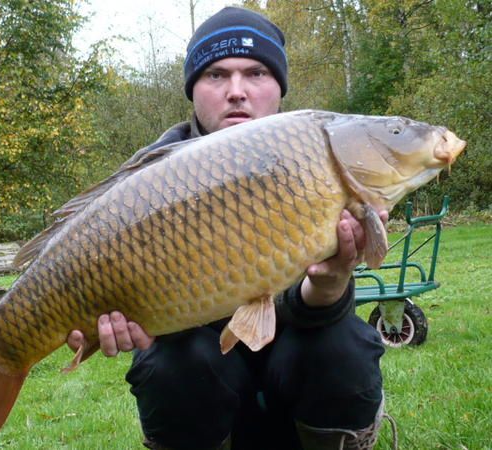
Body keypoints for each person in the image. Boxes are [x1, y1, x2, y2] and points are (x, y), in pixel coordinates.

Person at [69, 7, 388, 450]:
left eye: (256, 72)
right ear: (192, 90)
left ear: (279, 88)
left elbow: (310, 308)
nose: (236, 92)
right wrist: (125, 315)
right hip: (204, 375)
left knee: (342, 344)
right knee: (173, 361)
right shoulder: (148, 183)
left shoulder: (314, 159)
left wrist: (330, 285)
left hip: (294, 365)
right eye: (216, 75)